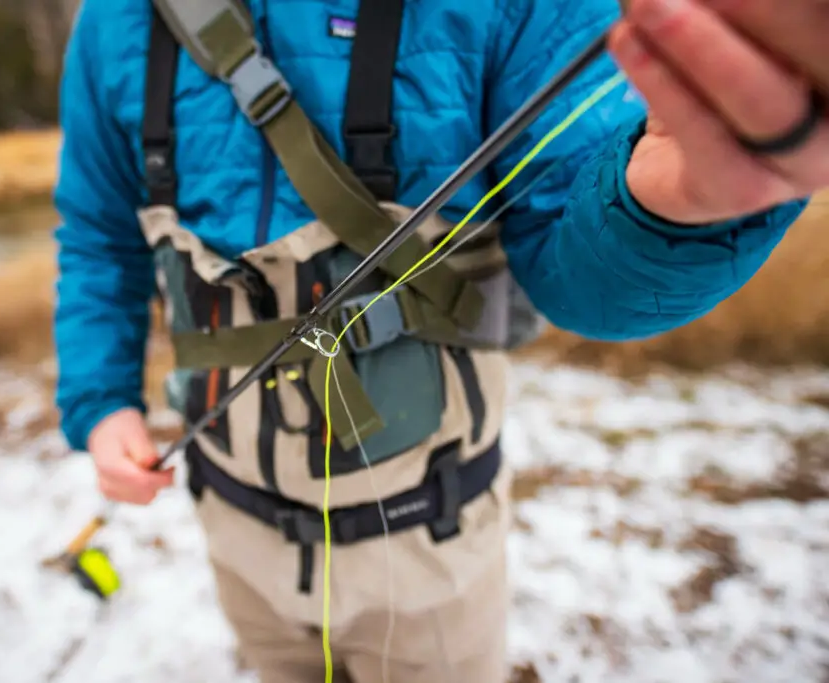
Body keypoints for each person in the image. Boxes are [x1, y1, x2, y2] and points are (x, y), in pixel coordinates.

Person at [52, 0, 828, 680]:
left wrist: (677, 205)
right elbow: (96, 233)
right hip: (231, 532)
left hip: (434, 546)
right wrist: (100, 399)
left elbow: (579, 273)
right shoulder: (113, 20)